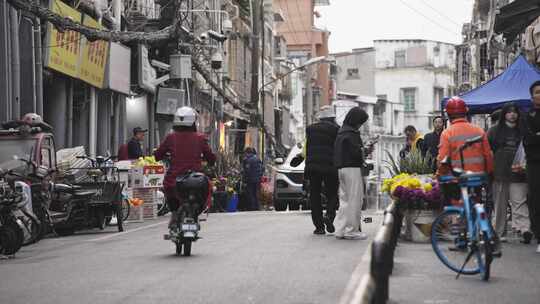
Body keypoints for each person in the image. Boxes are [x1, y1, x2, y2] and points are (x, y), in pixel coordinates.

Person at [437, 97, 498, 253]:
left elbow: (443, 160)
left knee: (458, 208)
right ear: (466, 113)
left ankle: (461, 240)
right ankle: (479, 233)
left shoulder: (447, 133)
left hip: (456, 179)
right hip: (478, 177)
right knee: (476, 204)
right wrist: (489, 174)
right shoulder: (479, 130)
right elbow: (488, 155)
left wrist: (439, 175)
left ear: (448, 116)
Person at [154, 107, 216, 228]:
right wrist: (210, 161)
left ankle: (174, 214)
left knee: (169, 190)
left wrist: (162, 154)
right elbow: (211, 157)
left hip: (174, 180)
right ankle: (198, 214)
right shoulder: (200, 138)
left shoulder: (170, 137)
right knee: (206, 188)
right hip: (196, 180)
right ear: (193, 122)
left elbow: (157, 155)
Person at [487, 102, 531, 244]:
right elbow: (488, 152)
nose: (512, 114)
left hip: (519, 172)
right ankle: (500, 232)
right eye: (509, 112)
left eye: (515, 112)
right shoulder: (494, 131)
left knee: (519, 202)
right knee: (500, 205)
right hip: (499, 173)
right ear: (504, 114)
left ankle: (525, 230)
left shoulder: (523, 130)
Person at [333, 107, 369, 240]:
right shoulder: (352, 134)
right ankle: (352, 231)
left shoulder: (342, 132)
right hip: (352, 168)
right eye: (361, 122)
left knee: (344, 200)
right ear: (356, 120)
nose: (361, 125)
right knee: (355, 200)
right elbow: (356, 153)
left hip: (341, 168)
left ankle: (341, 230)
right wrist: (364, 150)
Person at [303, 105, 340, 235]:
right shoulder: (336, 130)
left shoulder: (310, 129)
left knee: (314, 195)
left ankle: (319, 226)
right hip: (330, 166)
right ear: (332, 117)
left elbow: (306, 148)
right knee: (332, 193)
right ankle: (329, 216)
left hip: (313, 167)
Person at [523, 80, 540, 253]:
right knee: (535, 200)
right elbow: (528, 140)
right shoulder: (527, 117)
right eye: (537, 92)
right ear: (531, 96)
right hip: (535, 164)